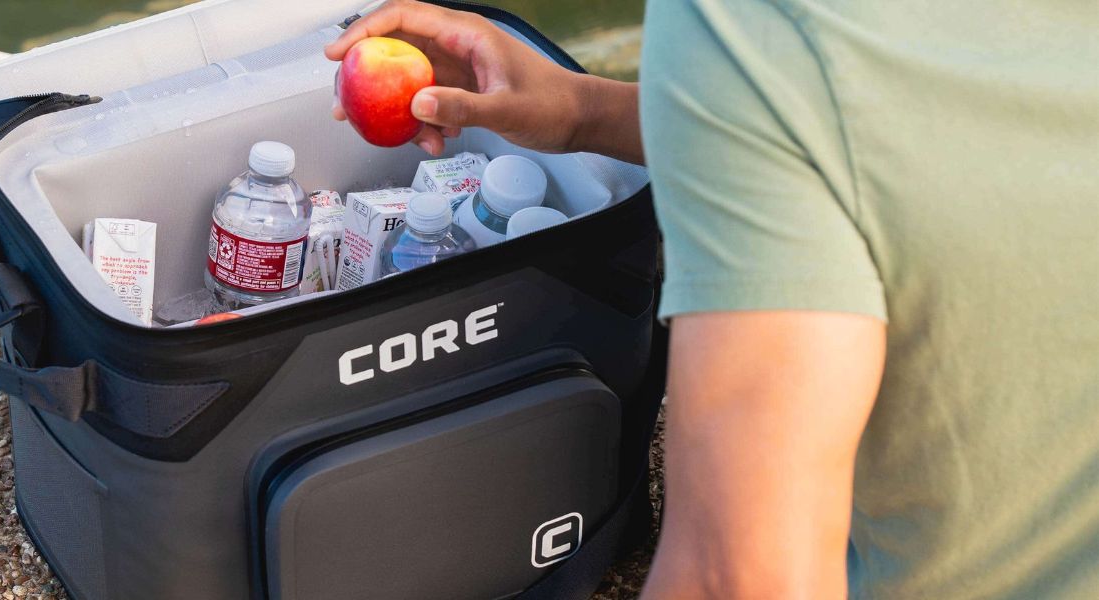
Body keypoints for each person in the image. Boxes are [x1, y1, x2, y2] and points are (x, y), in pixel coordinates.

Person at [326, 1, 1099, 598]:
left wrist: (724, 65)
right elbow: (924, 146)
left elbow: (740, 577)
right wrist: (585, 111)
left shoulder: (758, 26)